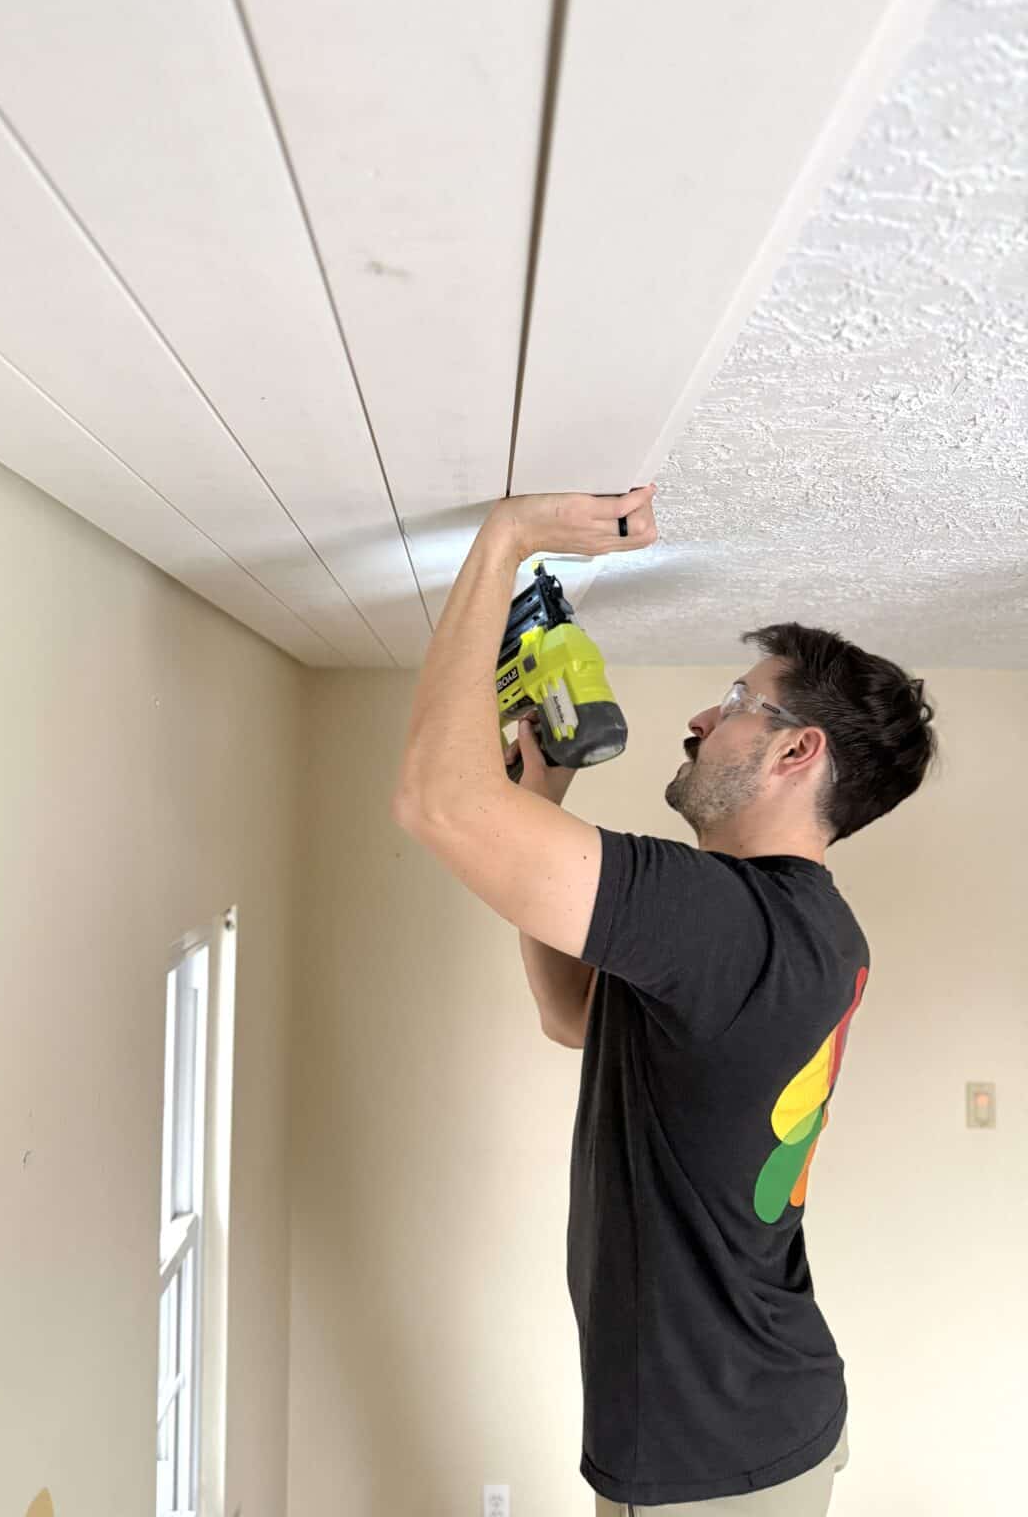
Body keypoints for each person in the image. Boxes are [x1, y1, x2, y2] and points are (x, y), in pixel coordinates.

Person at [392, 489, 938, 1515]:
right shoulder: (809, 930)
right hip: (745, 1423)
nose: (703, 715)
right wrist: (535, 803)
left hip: (710, 1459)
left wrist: (507, 541)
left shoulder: (724, 921)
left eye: (738, 698)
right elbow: (574, 1016)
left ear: (795, 751)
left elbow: (434, 799)